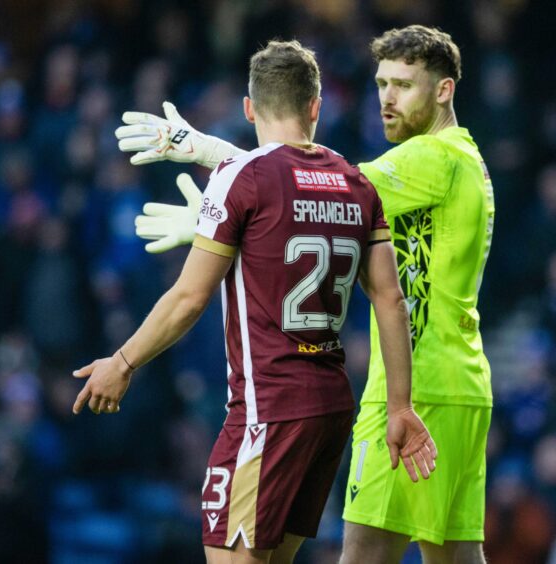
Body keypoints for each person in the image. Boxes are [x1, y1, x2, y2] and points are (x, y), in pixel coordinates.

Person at [116, 25, 494, 564]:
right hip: (461, 384)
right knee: (457, 555)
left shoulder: (430, 158)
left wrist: (207, 165)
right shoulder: (466, 157)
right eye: (382, 83)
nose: (387, 97)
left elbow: (304, 183)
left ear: (443, 91)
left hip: (419, 387)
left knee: (363, 552)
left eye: (404, 85)